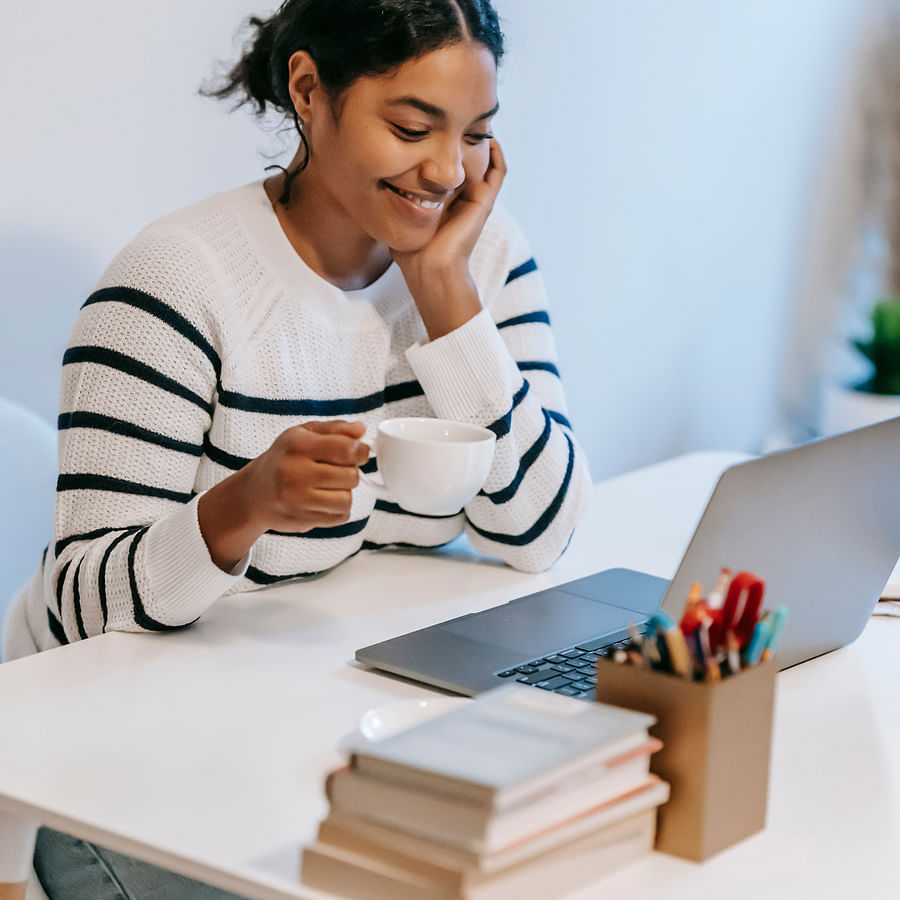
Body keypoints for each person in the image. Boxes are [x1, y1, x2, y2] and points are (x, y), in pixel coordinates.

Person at [0, 0, 591, 896]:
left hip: (310, 727)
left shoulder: (481, 255)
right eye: (410, 126)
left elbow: (540, 531)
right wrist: (241, 509)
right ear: (309, 90)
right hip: (98, 770)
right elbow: (79, 605)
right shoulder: (174, 283)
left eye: (475, 134)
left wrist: (446, 298)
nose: (446, 169)